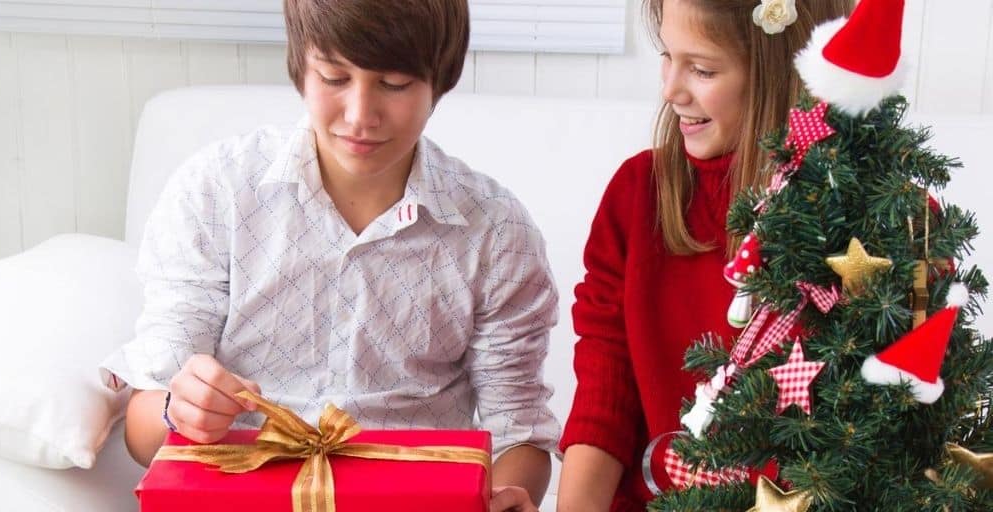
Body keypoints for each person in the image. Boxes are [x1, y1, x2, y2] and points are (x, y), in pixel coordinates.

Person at [99, 1, 558, 510]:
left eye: (395, 84)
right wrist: (180, 409)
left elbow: (519, 432)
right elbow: (142, 431)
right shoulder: (214, 193)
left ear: (440, 81)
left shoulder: (495, 230)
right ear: (300, 67)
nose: (360, 116)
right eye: (334, 77)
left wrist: (506, 495)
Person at [555, 0, 855, 510]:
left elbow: (885, 433)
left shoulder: (865, 218)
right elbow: (605, 396)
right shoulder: (638, 194)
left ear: (782, 73)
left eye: (702, 68)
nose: (670, 89)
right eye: (668, 56)